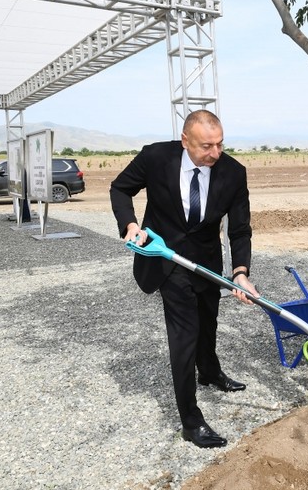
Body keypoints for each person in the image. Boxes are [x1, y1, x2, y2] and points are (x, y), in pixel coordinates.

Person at [110, 109, 259, 449]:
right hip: (165, 259)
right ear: (185, 141)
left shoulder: (233, 173)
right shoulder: (156, 157)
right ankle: (190, 421)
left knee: (209, 318)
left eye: (220, 144)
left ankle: (209, 371)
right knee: (185, 335)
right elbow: (120, 189)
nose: (215, 154)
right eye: (207, 146)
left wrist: (241, 273)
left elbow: (239, 229)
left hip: (205, 260)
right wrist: (130, 225)